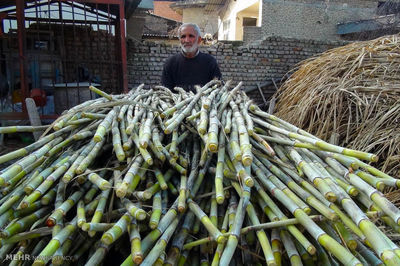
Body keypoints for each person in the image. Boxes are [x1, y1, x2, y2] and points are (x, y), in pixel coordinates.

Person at [161, 23, 222, 92]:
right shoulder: (170, 63)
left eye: (191, 36)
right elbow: (165, 91)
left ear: (199, 40)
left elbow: (217, 89)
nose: (187, 40)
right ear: (180, 40)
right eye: (183, 36)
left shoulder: (210, 62)